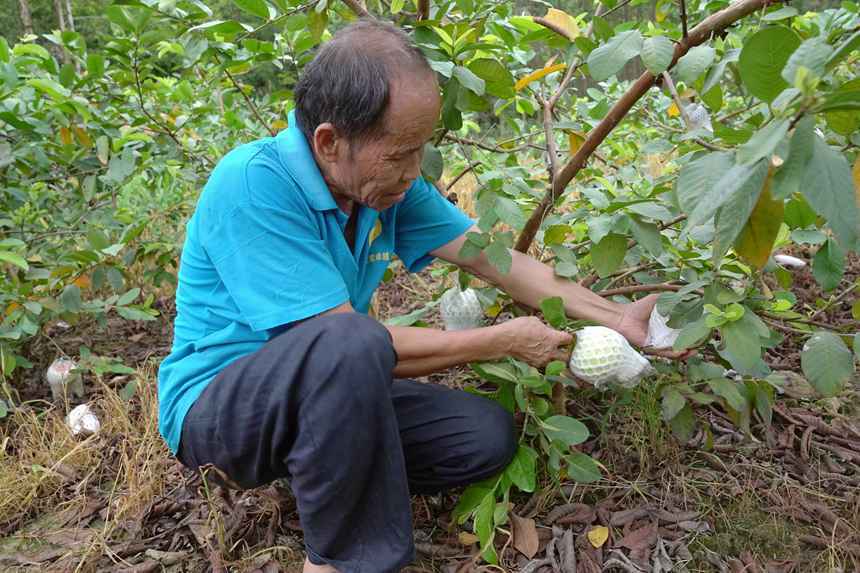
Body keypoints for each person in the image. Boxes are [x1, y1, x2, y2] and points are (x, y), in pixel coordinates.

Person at [158, 19, 668, 573]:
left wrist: (619, 319)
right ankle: (339, 561)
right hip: (219, 413)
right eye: (400, 153)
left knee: (483, 437)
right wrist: (500, 342)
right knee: (349, 340)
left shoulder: (386, 190)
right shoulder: (254, 183)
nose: (413, 172)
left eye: (420, 151)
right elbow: (337, 343)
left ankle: (322, 469)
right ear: (330, 143)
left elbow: (497, 260)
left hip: (328, 389)